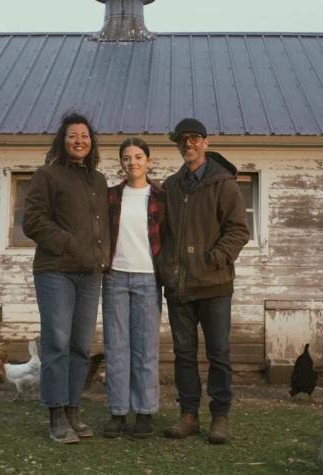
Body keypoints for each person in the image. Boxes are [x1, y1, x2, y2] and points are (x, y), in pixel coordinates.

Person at [158, 118, 249, 445]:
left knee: (218, 353)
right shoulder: (171, 187)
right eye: (183, 140)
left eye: (195, 138)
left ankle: (220, 416)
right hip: (179, 287)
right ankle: (189, 415)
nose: (189, 144)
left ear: (206, 143)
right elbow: (162, 234)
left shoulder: (223, 184)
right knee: (184, 354)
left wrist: (214, 259)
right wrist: (167, 268)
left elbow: (238, 230)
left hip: (214, 285)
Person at [23, 112, 110, 444]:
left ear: (91, 142)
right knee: (57, 342)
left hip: (89, 274)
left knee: (80, 346)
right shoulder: (46, 175)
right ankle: (56, 414)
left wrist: (101, 256)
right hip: (55, 271)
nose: (79, 141)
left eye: (85, 136)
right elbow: (33, 221)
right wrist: (69, 244)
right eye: (73, 135)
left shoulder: (98, 181)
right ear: (62, 140)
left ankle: (73, 409)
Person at [101, 138, 167, 439]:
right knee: (116, 348)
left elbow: (169, 236)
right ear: (121, 163)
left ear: (148, 161)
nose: (133, 162)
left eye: (139, 157)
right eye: (127, 158)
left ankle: (144, 411)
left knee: (145, 349)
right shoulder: (111, 196)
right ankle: (118, 412)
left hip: (148, 278)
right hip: (115, 277)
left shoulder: (161, 196)